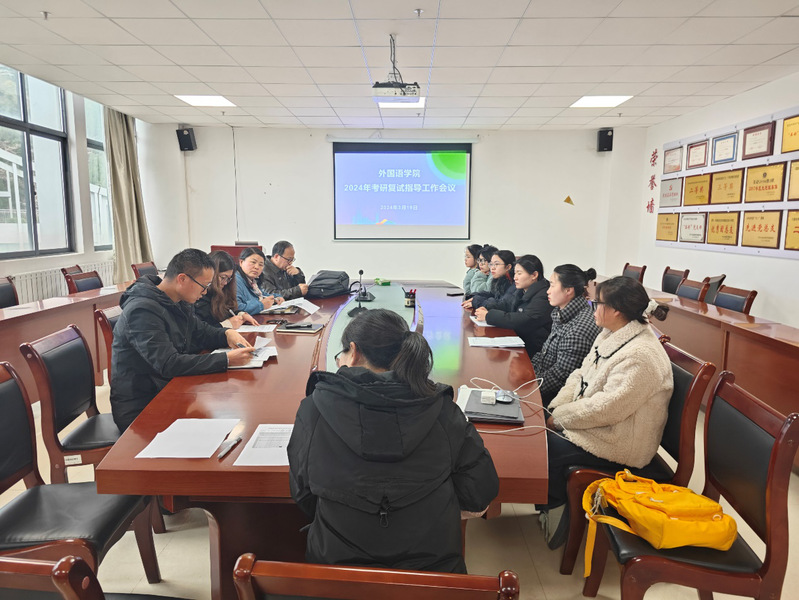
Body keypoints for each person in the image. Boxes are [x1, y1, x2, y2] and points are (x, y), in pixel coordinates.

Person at [288, 309, 499, 573]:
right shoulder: (443, 411)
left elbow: (303, 494)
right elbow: (480, 491)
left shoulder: (314, 409)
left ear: (354, 352)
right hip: (431, 578)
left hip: (339, 576)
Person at [540, 276, 673, 549]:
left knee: (546, 448)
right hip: (602, 425)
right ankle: (551, 504)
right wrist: (556, 409)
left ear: (616, 311)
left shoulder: (641, 355)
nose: (592, 307)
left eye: (596, 303)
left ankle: (558, 511)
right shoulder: (610, 333)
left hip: (622, 442)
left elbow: (608, 408)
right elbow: (580, 374)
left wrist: (560, 418)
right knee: (541, 429)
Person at [111, 248, 256, 432]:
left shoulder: (177, 300)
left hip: (169, 388)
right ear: (182, 279)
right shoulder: (142, 310)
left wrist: (226, 334)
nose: (206, 292)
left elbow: (201, 331)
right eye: (204, 285)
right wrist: (225, 359)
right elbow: (168, 363)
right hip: (143, 404)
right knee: (221, 426)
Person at [532, 265, 601, 406]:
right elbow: (544, 354)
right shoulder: (563, 312)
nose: (548, 291)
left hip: (552, 400)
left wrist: (527, 388)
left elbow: (559, 378)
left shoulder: (578, 331)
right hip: (540, 383)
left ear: (568, 290)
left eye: (552, 285)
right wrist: (527, 374)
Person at [474, 254, 551, 357]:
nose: (515, 278)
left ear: (534, 275)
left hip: (534, 351)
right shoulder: (522, 290)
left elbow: (524, 320)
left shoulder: (544, 296)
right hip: (519, 343)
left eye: (519, 273)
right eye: (515, 273)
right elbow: (506, 304)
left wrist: (488, 316)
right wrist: (486, 308)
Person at [195, 250, 260, 329]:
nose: (225, 283)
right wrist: (226, 324)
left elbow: (228, 310)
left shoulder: (223, 291)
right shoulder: (199, 297)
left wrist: (241, 314)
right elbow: (201, 331)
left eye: (228, 279)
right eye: (223, 277)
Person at [235, 247, 280, 315]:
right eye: (253, 262)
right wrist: (261, 305)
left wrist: (276, 297)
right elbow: (237, 309)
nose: (257, 267)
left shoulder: (253, 281)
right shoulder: (235, 281)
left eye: (261, 265)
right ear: (241, 262)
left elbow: (262, 295)